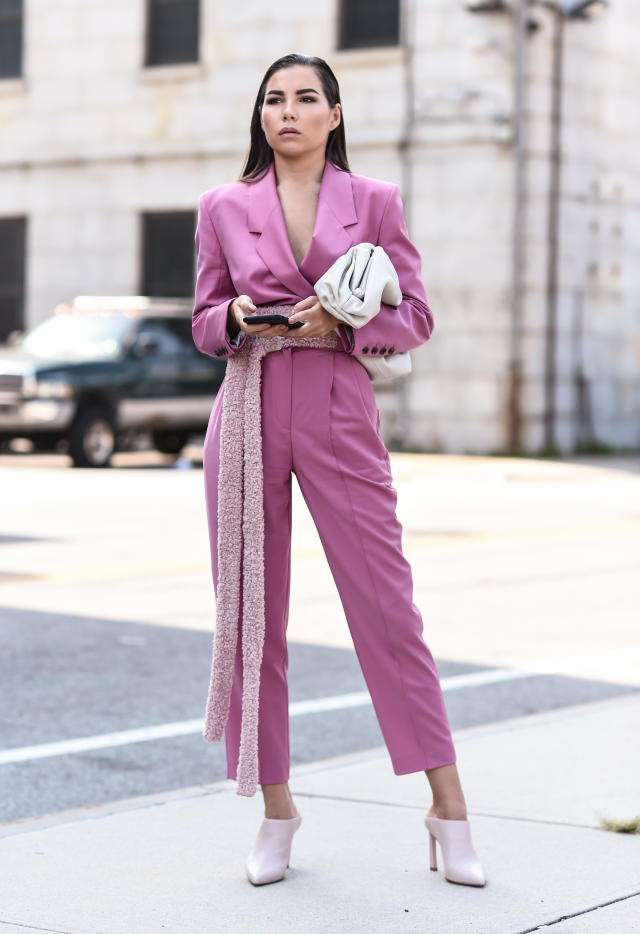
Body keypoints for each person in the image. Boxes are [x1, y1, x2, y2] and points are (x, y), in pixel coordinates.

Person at [192, 52, 486, 889]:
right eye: (273, 99)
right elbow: (204, 319)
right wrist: (236, 317)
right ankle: (276, 810)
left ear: (334, 113)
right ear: (261, 116)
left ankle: (449, 809)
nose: (287, 111)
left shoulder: (376, 203)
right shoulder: (222, 206)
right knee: (252, 617)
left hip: (337, 402)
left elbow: (416, 317)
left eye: (305, 98)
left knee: (387, 611)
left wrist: (350, 318)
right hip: (246, 407)